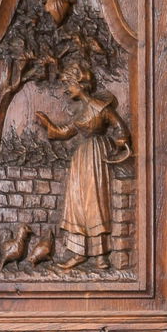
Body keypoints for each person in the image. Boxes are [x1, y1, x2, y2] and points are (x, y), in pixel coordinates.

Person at [36, 57, 131, 265]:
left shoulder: (100, 106)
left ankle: (100, 255)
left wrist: (122, 137)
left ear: (79, 83)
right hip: (82, 158)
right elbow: (63, 132)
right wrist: (47, 124)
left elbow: (119, 126)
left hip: (97, 155)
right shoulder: (79, 112)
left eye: (68, 84)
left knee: (95, 201)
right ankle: (79, 253)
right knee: (77, 202)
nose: (66, 90)